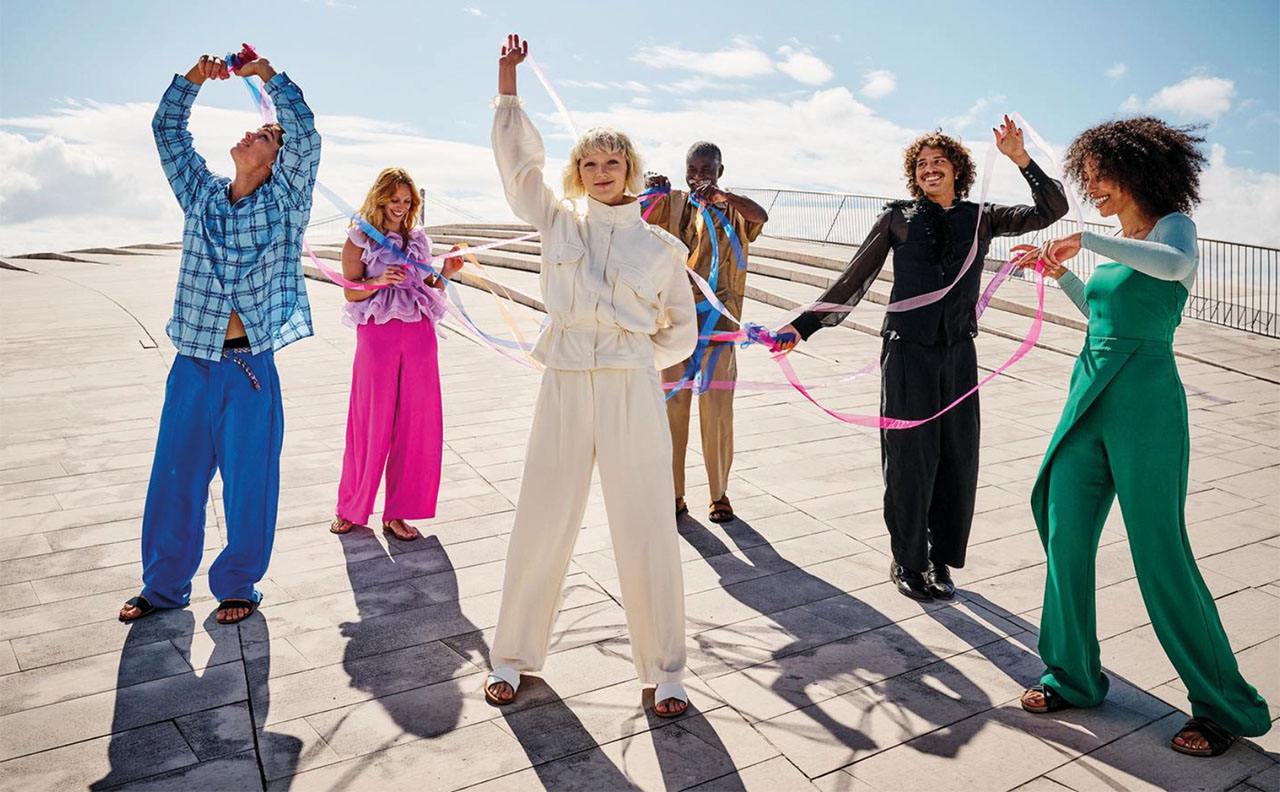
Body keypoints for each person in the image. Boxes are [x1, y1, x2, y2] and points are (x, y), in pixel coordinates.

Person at [1014, 117, 1271, 757]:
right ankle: (1072, 676)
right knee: (1063, 533)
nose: (1092, 189)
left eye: (1100, 176)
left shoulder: (1171, 227)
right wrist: (1060, 275)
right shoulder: (1121, 244)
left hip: (1146, 401)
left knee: (1159, 550)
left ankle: (1222, 706)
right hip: (1089, 391)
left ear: (1137, 172)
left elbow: (1175, 266)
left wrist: (1088, 240)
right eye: (1088, 179)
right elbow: (1103, 314)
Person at [484, 34, 698, 717]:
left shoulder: (662, 247)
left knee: (647, 523)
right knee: (541, 515)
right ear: (577, 170)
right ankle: (511, 656)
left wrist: (631, 357)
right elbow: (519, 169)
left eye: (612, 161)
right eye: (589, 162)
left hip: (631, 387)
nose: (601, 171)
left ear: (630, 167)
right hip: (566, 380)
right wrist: (508, 86)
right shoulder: (556, 221)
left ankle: (665, 670)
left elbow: (681, 331)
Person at [776, 119, 1068, 602]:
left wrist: (1020, 158)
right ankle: (908, 559)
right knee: (911, 458)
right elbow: (853, 279)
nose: (930, 169)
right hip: (907, 351)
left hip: (958, 352)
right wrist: (801, 327)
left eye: (939, 161)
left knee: (957, 456)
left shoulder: (981, 217)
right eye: (921, 164)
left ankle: (939, 559)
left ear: (958, 169)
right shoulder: (897, 218)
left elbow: (1051, 210)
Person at [119, 46, 320, 625]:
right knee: (173, 478)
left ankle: (237, 584)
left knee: (249, 483)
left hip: (249, 370)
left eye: (265, 135)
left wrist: (266, 74)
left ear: (277, 159)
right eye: (255, 129)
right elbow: (167, 131)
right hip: (191, 365)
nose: (252, 133)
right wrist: (194, 79)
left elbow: (306, 136)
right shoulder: (201, 196)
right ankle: (163, 586)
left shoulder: (285, 204)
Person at [329, 168, 462, 542]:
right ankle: (350, 507)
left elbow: (429, 288)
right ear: (379, 198)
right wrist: (377, 281)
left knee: (417, 425)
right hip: (378, 335)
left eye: (406, 201)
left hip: (420, 335)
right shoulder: (359, 238)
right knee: (369, 421)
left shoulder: (419, 240)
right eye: (393, 200)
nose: (400, 207)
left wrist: (447, 272)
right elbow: (349, 291)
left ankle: (398, 513)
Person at [643, 144, 769, 523]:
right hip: (674, 324)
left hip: (719, 327)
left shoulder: (733, 208)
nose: (698, 175)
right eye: (693, 169)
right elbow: (634, 220)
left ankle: (719, 494)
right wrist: (649, 189)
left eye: (706, 169)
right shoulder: (674, 204)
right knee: (671, 410)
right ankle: (673, 494)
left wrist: (724, 196)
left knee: (717, 411)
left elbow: (761, 216)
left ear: (720, 171)